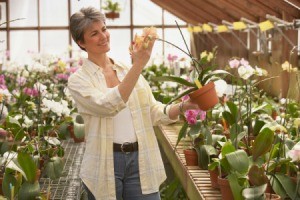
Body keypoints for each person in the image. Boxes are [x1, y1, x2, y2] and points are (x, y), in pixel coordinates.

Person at [68, 7, 198, 200]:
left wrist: (182, 107)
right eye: (94, 33)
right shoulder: (79, 80)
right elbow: (108, 106)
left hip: (141, 159)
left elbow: (153, 111)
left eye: (104, 29)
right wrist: (138, 64)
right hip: (104, 163)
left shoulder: (125, 70)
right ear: (81, 42)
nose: (103, 36)